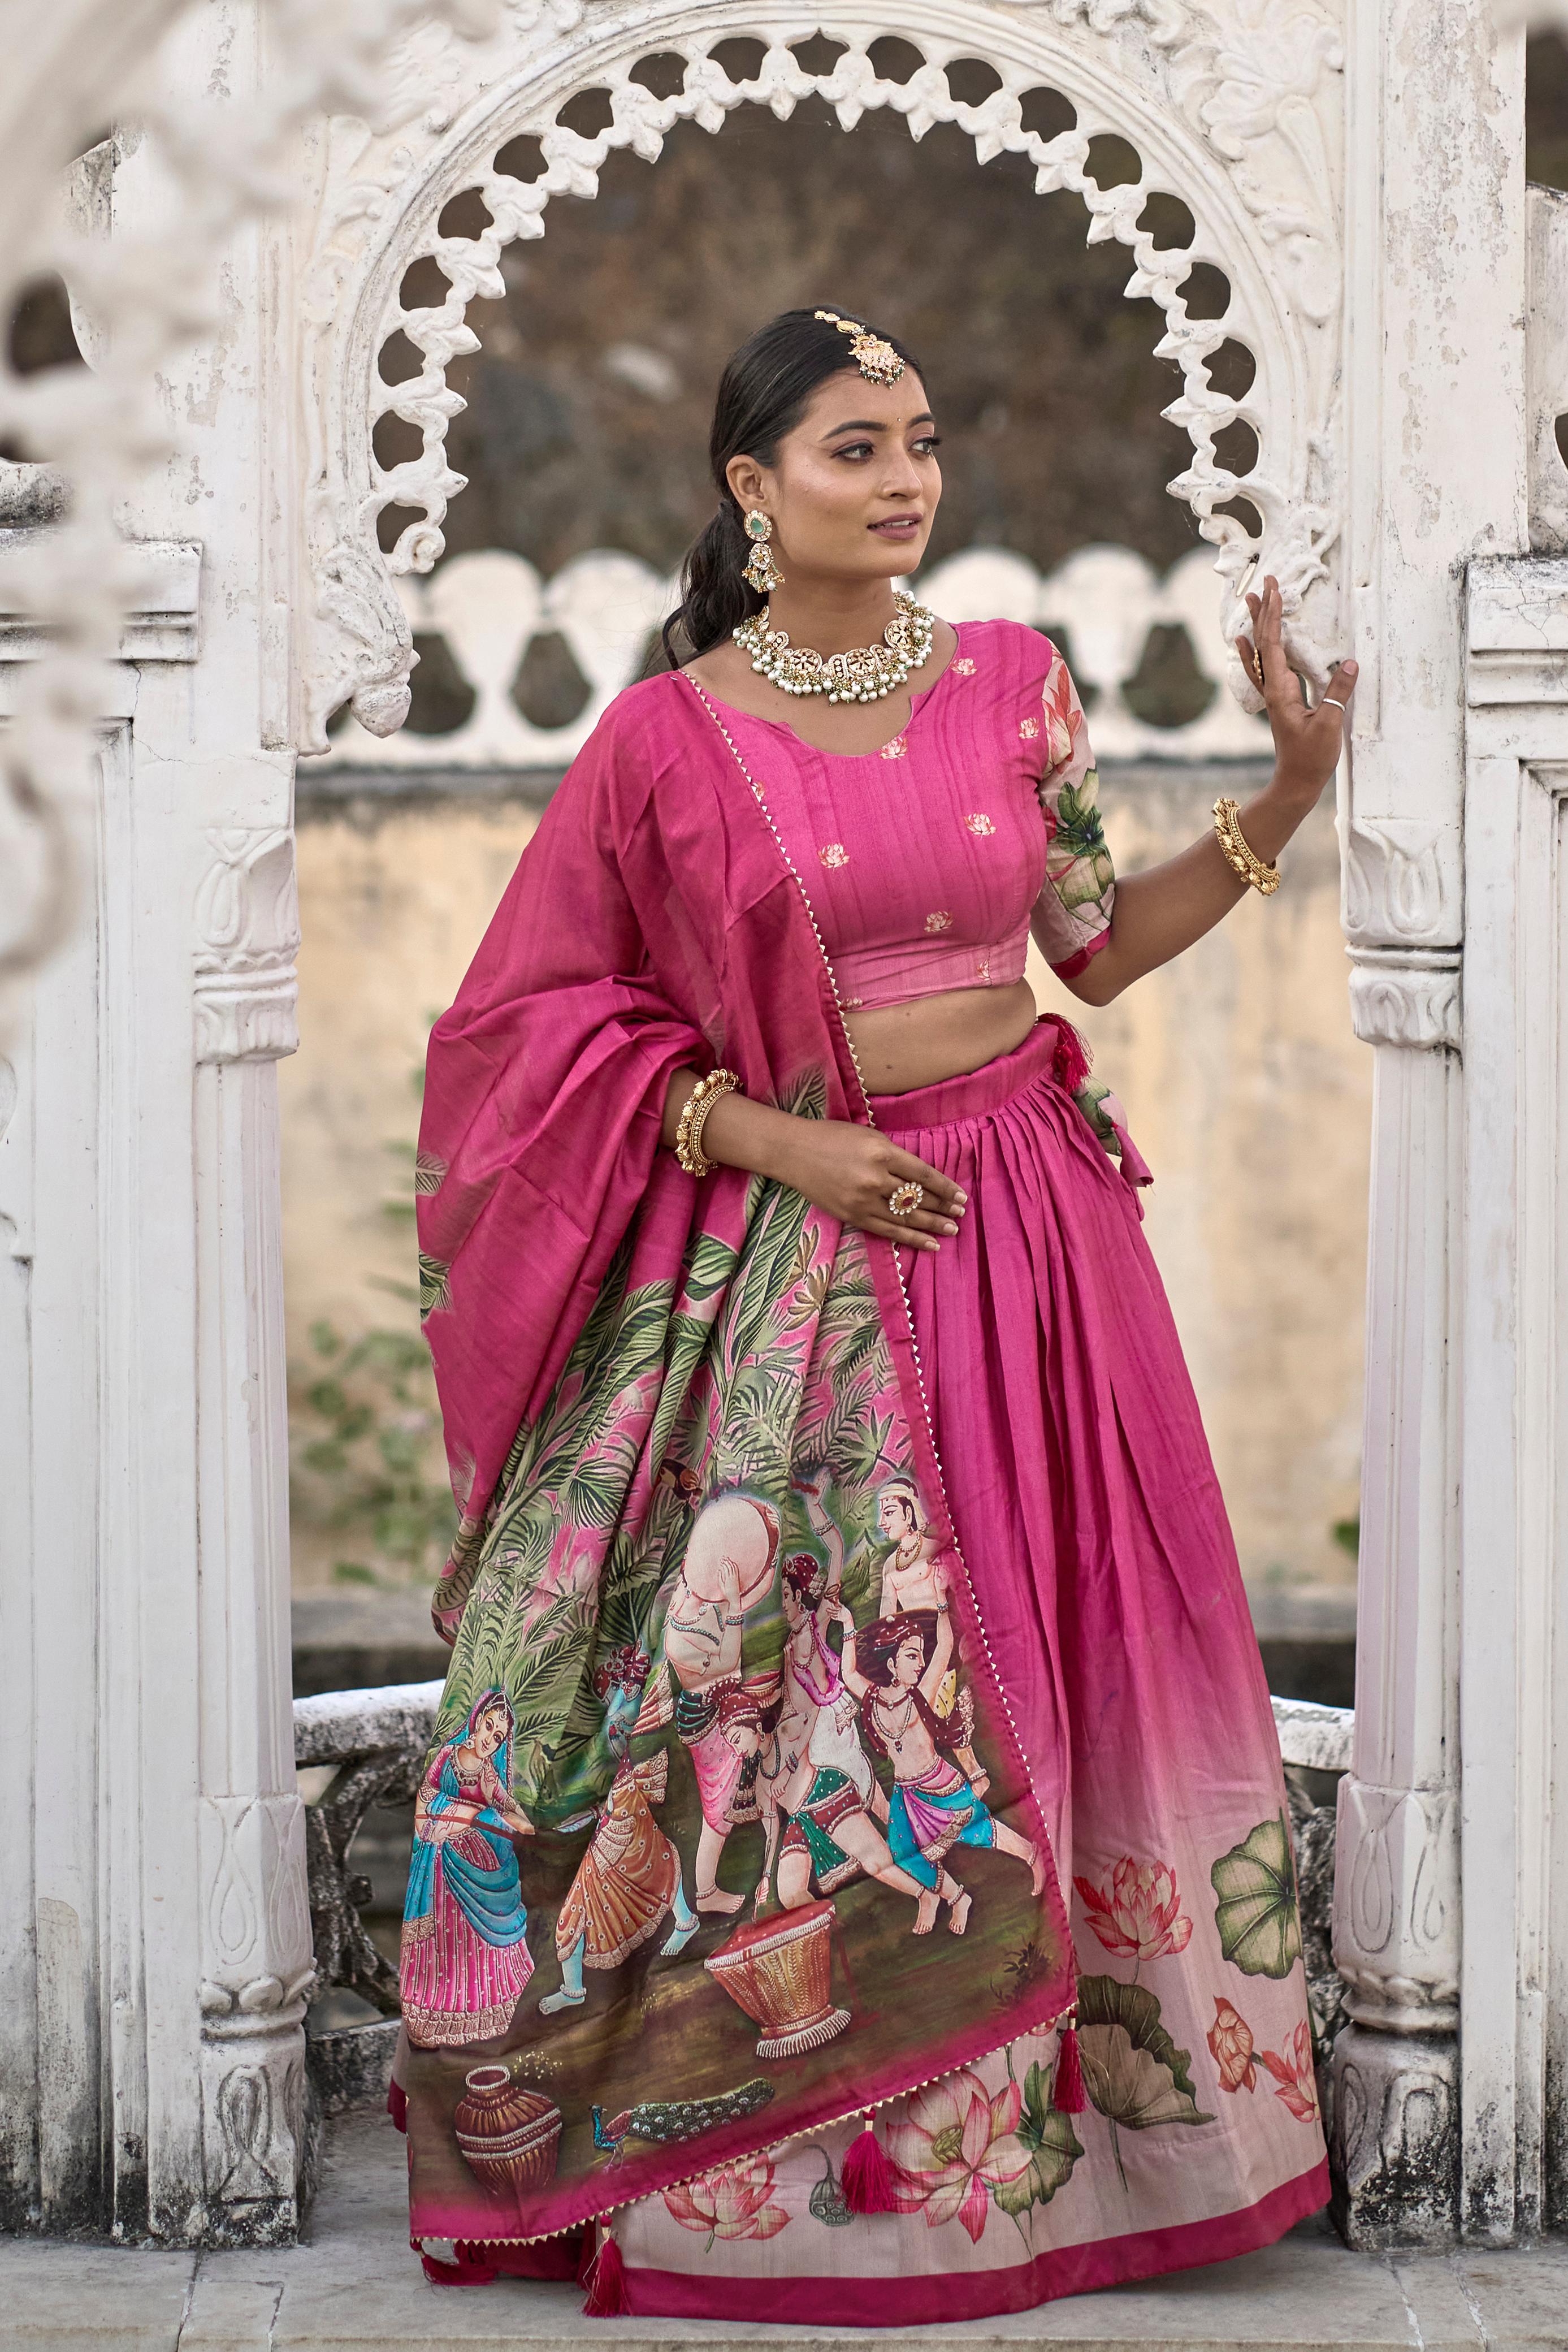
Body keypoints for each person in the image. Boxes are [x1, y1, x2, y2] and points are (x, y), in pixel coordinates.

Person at [406, 306, 1349, 2318]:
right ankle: (837, 2169)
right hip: (820, 1255)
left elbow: (1094, 948)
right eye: (855, 448)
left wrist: (1292, 786)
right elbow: (529, 1026)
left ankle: (1122, 2144)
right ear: (753, 490)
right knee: (832, 1709)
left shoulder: (1015, 683)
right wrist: (769, 1137)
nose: (907, 479)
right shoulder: (666, 736)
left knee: (1074, 1641)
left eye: (921, 440)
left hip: (1043, 1242)